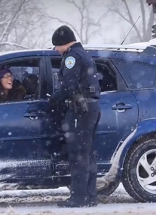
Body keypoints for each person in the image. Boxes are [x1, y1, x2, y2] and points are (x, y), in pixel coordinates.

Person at [49, 25, 101, 208]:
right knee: (87, 153)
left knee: (78, 153)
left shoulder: (72, 57)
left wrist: (52, 101)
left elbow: (68, 86)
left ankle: (79, 198)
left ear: (64, 43)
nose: (55, 50)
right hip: (91, 107)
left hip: (80, 109)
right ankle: (90, 196)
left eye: (56, 45)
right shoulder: (84, 54)